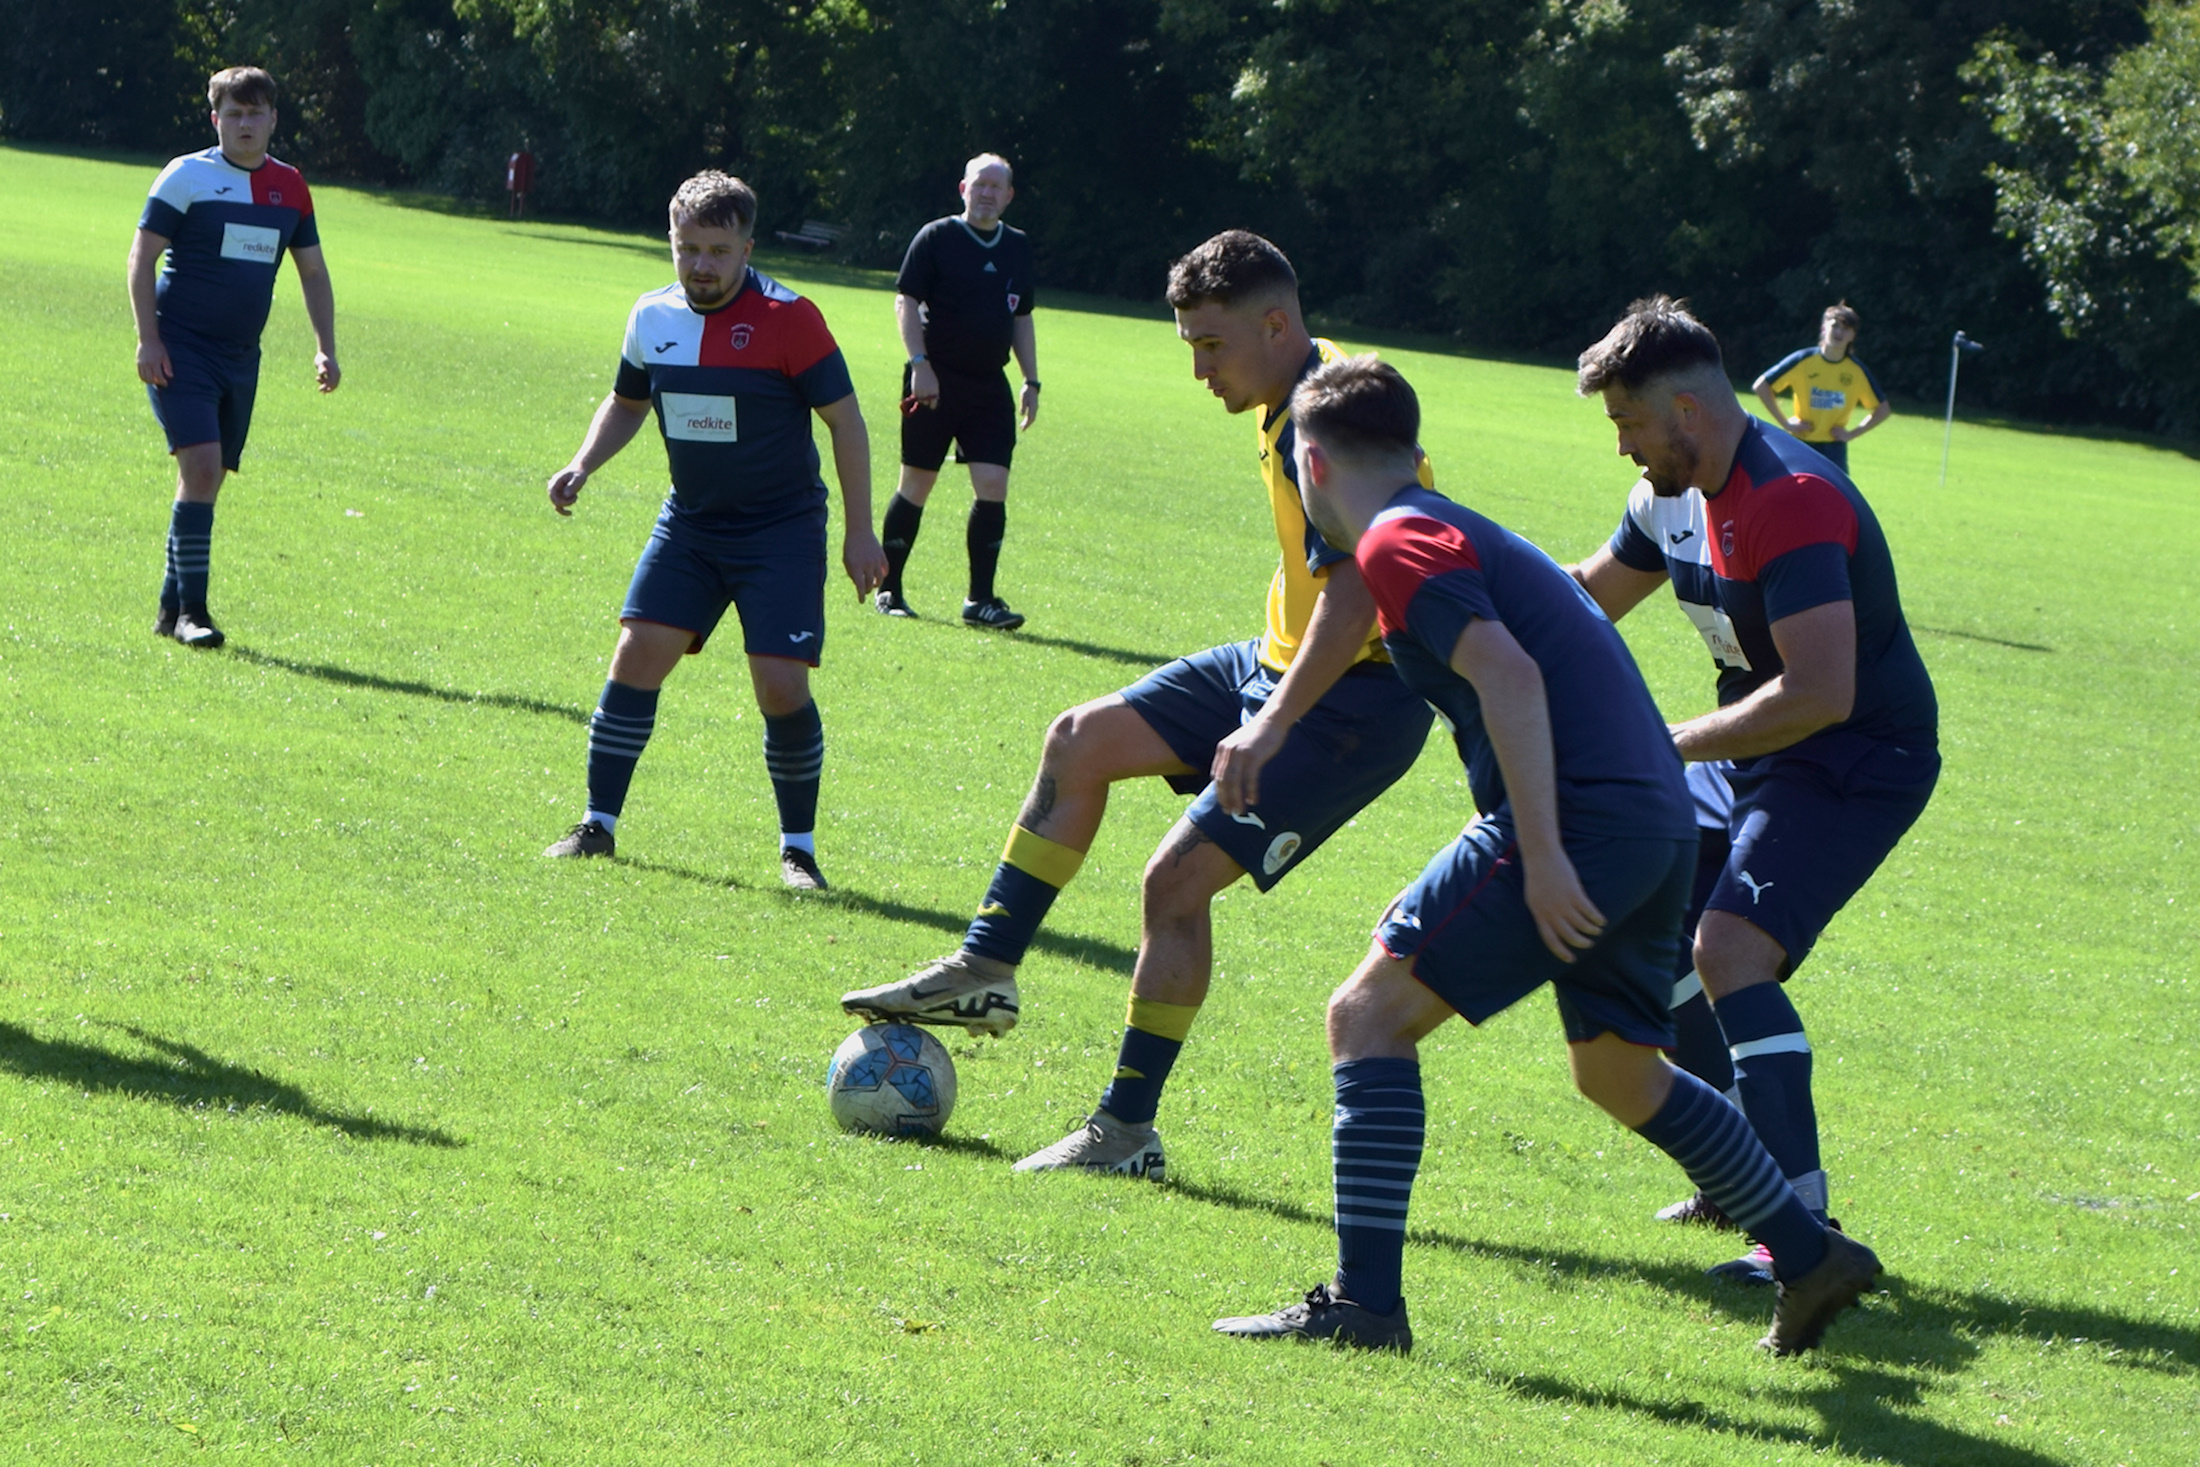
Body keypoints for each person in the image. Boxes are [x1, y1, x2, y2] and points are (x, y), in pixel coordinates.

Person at [1211, 355, 1879, 1357]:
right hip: (1653, 818)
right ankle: (1807, 1249)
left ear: (1309, 463)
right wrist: (1271, 729)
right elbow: (1366, 607)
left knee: (1364, 1019)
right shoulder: (1425, 524)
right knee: (1619, 1071)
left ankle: (1364, 1305)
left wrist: (1545, 856)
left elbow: (1510, 679)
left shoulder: (1401, 540)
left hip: (1578, 822)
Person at [841, 232, 1435, 1178]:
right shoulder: (1291, 394)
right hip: (1277, 661)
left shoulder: (1333, 424)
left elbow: (1363, 597)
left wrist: (1272, 722)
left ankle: (1124, 1130)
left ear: (1277, 325)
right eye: (1189, 346)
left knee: (1172, 884)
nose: (1199, 369)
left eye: (1211, 345)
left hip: (1351, 704)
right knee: (1079, 739)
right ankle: (986, 969)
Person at [1571, 296, 1939, 1283]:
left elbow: (1821, 695)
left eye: (1627, 424)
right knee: (1644, 913)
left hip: (1852, 757)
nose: (1621, 447)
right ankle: (1736, 1170)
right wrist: (1450, 605)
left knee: (1728, 949)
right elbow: (1588, 600)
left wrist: (1661, 744)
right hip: (1750, 750)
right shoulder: (1670, 495)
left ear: (1686, 412)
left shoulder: (1791, 499)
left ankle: (1797, 1234)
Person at [540, 171, 886, 891]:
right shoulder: (651, 315)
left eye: (717, 251)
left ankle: (798, 851)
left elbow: (846, 421)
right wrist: (582, 464)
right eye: (688, 248)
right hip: (692, 525)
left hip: (781, 531)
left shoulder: (792, 317)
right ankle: (596, 825)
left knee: (782, 687)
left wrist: (861, 532)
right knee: (635, 656)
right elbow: (628, 402)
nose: (701, 265)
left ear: (747, 248)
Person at [129, 65, 340, 650]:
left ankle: (170, 609)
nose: (245, 123)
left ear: (273, 118)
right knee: (200, 467)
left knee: (207, 478)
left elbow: (314, 273)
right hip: (181, 348)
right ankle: (195, 613)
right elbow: (140, 259)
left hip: (240, 358)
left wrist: (326, 348)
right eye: (234, 113)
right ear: (215, 117)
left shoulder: (290, 188)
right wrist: (149, 339)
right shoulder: (186, 177)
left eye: (255, 113)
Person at [875, 154, 1039, 629]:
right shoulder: (937, 238)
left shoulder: (1018, 247)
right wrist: (920, 366)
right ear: (963, 189)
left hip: (989, 385)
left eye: (997, 186)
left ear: (1009, 195)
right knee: (916, 484)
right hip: (935, 381)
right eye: (979, 185)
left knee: (993, 487)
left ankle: (980, 601)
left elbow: (1021, 318)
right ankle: (891, 589)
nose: (987, 193)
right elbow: (905, 301)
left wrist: (1031, 379)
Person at [1752, 304, 1889, 474]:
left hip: (1833, 449)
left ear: (1853, 335)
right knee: (1793, 495)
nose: (1839, 332)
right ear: (1824, 328)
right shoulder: (1803, 360)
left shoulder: (1856, 371)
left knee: (1835, 498)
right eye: (1835, 326)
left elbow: (1883, 410)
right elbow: (1761, 386)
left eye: (1846, 328)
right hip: (1801, 442)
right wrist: (1786, 423)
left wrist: (1852, 434)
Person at [506, 146, 536, 220]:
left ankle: (518, 212)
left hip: (519, 181)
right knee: (517, 194)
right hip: (517, 181)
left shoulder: (521, 159)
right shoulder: (518, 158)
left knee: (519, 194)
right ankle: (517, 212)